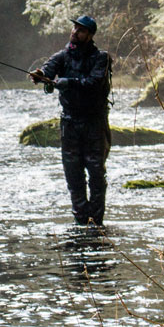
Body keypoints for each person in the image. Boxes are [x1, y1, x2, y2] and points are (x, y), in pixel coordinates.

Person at [30, 14, 112, 225]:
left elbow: (93, 83)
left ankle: (96, 222)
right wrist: (40, 75)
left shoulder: (101, 58)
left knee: (95, 174)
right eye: (74, 28)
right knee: (73, 175)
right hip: (70, 124)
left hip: (95, 123)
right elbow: (48, 70)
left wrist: (67, 82)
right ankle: (81, 222)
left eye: (81, 30)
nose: (75, 32)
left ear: (90, 35)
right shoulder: (62, 56)